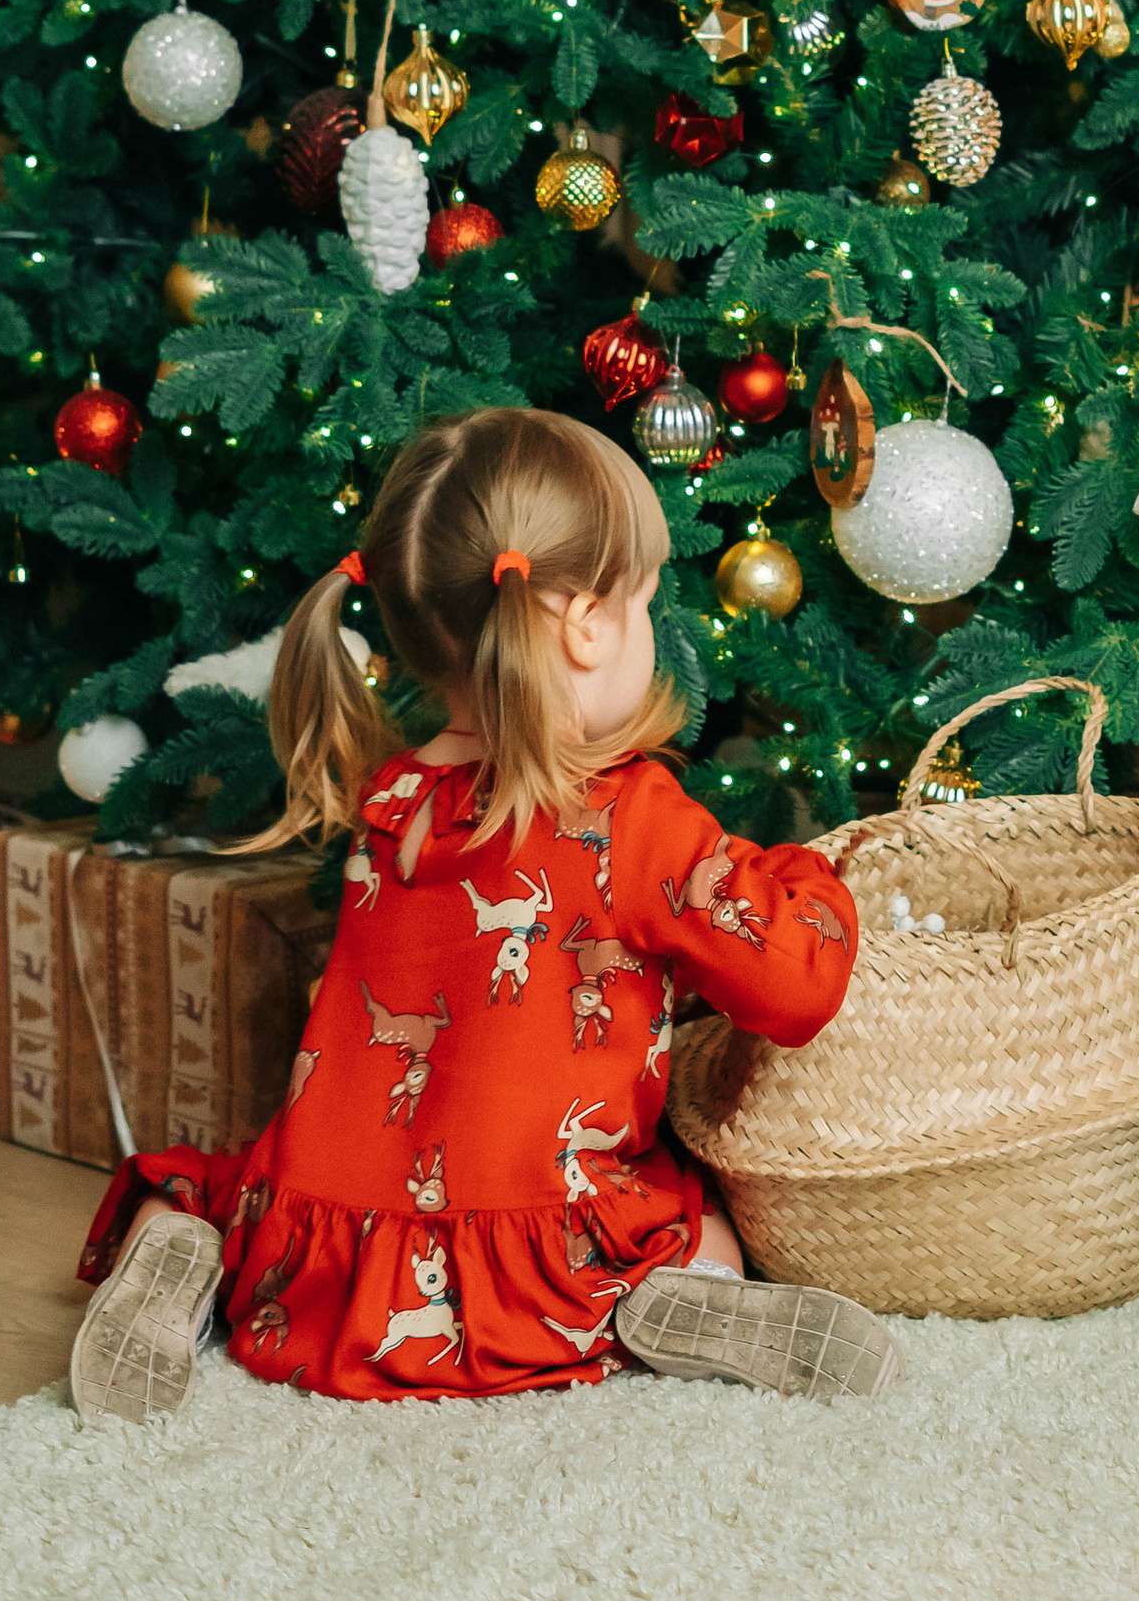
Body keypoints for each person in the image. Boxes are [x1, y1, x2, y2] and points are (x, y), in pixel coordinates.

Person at [71, 407, 899, 1422]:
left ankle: (179, 1252)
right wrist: (806, 879)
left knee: (222, 1184)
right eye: (641, 602)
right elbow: (794, 986)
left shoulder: (393, 804)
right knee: (693, 1210)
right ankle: (686, 1293)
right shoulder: (628, 815)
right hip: (540, 1269)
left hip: (321, 1270)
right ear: (585, 623)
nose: (644, 626)